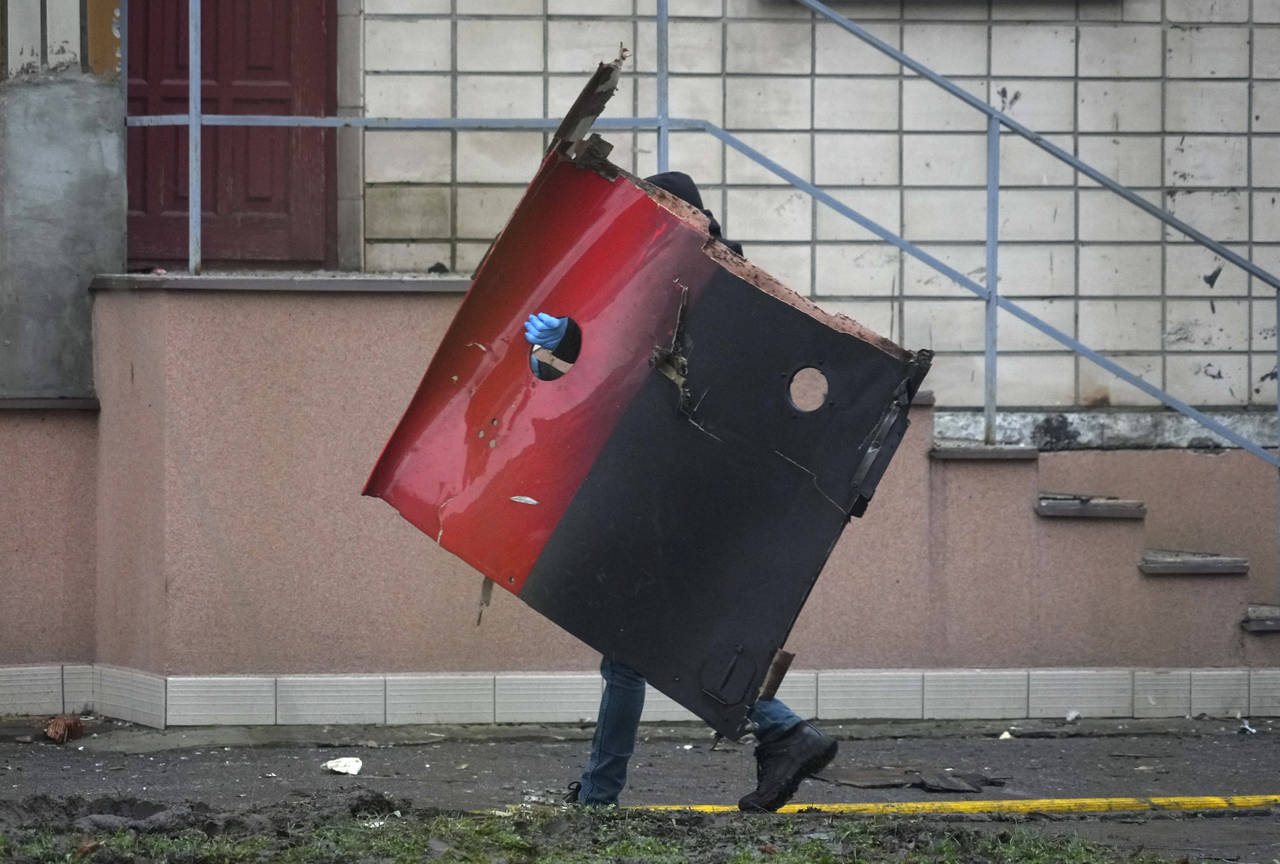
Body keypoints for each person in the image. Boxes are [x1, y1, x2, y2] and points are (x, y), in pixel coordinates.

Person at [523, 171, 839, 811]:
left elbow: (668, 353)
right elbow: (646, 355)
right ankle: (769, 737)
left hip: (685, 496)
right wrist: (566, 347)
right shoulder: (712, 280)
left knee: (646, 643)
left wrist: (574, 342)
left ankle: (782, 731)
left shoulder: (707, 281)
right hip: (689, 491)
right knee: (635, 647)